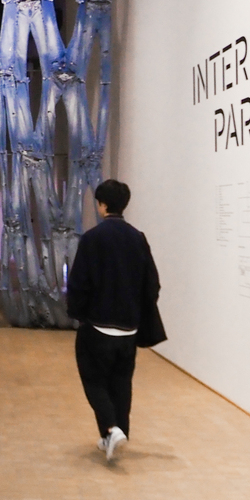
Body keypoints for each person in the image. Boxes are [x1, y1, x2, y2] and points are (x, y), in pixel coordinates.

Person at [66, 179, 165, 462]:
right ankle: (114, 434)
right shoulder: (138, 238)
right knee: (122, 383)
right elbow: (152, 284)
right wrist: (138, 312)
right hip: (128, 330)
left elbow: (79, 283)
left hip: (98, 327)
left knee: (94, 380)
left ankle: (110, 427)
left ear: (102, 205)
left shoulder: (92, 238)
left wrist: (79, 313)